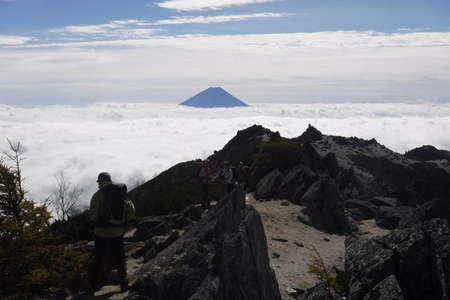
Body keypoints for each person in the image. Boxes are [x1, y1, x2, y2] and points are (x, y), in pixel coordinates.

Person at [89, 172, 135, 293]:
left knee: (99, 259)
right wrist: (123, 222)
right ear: (110, 180)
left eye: (98, 182)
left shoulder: (97, 195)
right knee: (120, 258)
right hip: (118, 231)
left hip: (101, 233)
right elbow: (132, 210)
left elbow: (93, 216)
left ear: (100, 182)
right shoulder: (120, 192)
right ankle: (124, 284)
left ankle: (95, 287)